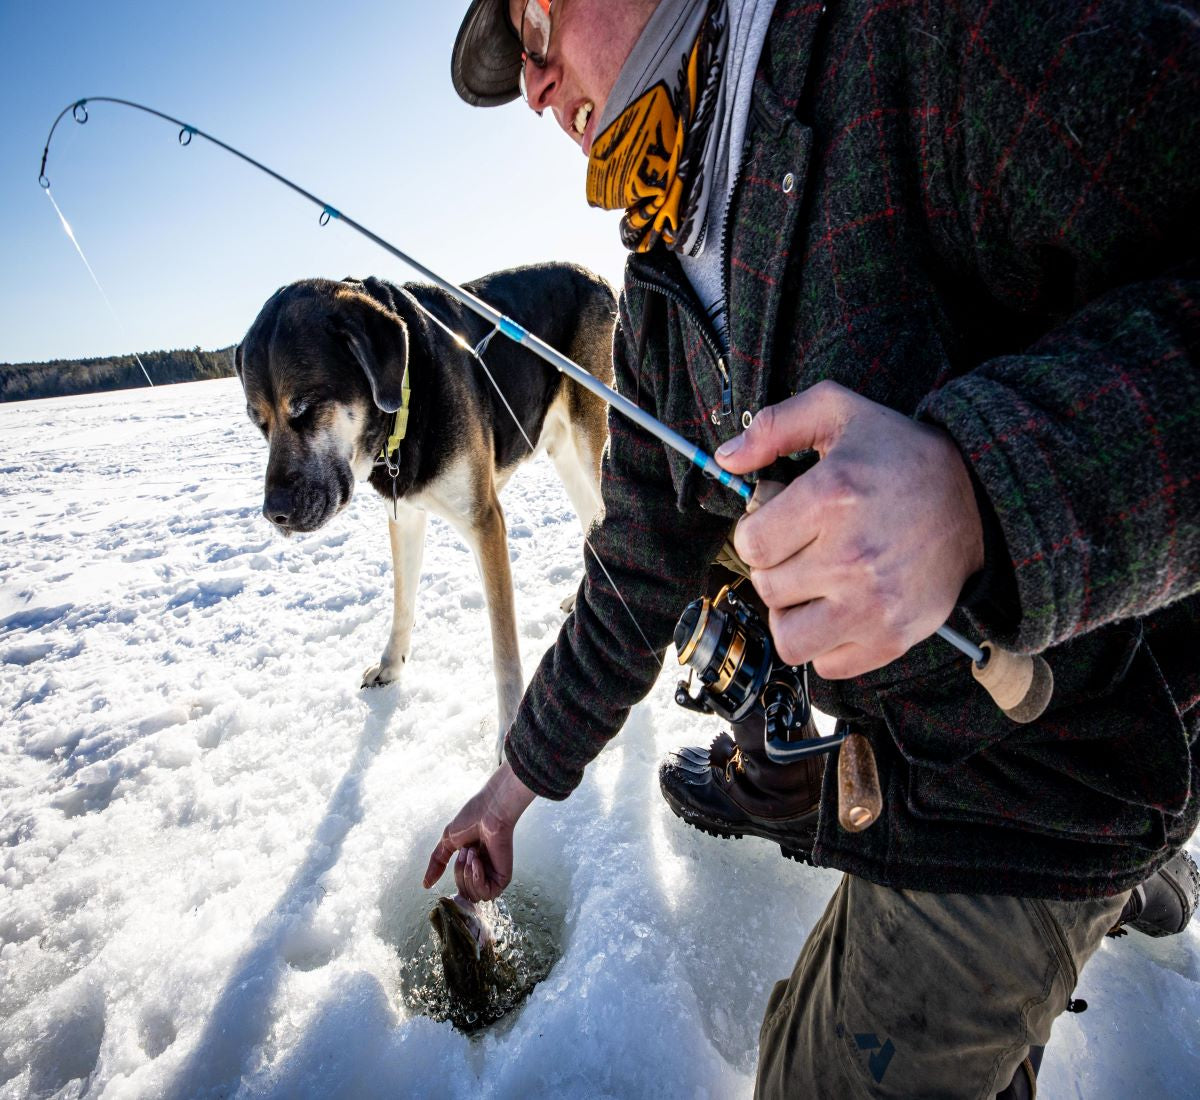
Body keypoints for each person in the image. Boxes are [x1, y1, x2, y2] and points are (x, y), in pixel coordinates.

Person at [426, 0, 1200, 1095]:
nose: (536, 83)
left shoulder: (922, 34)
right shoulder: (656, 283)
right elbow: (636, 572)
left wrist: (982, 493)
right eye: (522, 68)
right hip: (907, 766)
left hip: (1054, 761)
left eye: (538, 18)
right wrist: (513, 785)